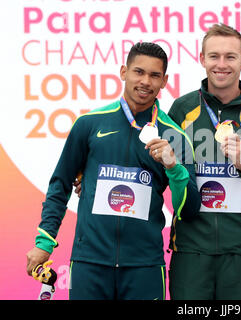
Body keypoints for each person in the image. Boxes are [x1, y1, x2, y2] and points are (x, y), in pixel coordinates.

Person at [25, 42, 201, 300]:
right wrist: (44, 241)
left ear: (164, 81)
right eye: (138, 72)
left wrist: (173, 168)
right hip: (90, 262)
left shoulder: (174, 135)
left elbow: (189, 210)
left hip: (144, 266)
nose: (145, 81)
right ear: (123, 72)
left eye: (154, 75)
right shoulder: (89, 124)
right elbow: (60, 184)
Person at [167, 23, 241, 300]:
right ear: (201, 58)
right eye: (214, 56)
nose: (221, 64)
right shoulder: (182, 110)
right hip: (191, 249)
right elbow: (160, 172)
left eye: (230, 57)